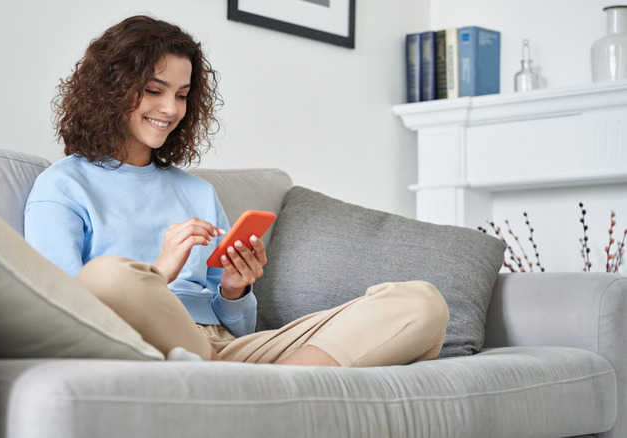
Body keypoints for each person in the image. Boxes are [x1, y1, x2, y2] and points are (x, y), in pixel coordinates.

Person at [24, 15, 449, 366]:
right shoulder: (63, 186)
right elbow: (63, 310)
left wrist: (234, 289)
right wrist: (158, 274)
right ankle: (259, 383)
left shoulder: (197, 192)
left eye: (182, 95)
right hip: (149, 342)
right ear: (110, 89)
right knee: (107, 275)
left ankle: (281, 384)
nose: (170, 109)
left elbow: (240, 327)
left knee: (420, 302)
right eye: (154, 90)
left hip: (225, 352)